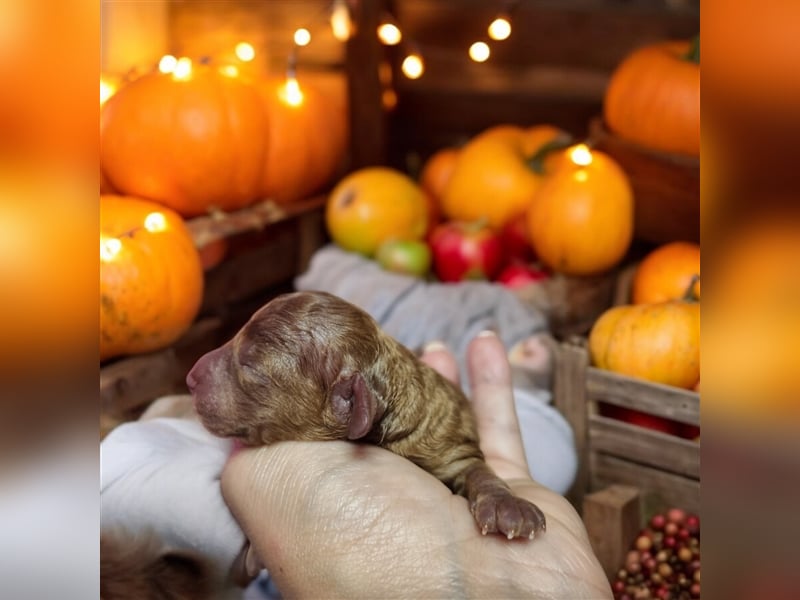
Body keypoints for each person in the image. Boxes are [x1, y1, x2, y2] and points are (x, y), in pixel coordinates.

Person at [223, 331, 612, 599]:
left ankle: (528, 385)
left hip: (451, 427)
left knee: (548, 447)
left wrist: (492, 492)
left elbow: (467, 464)